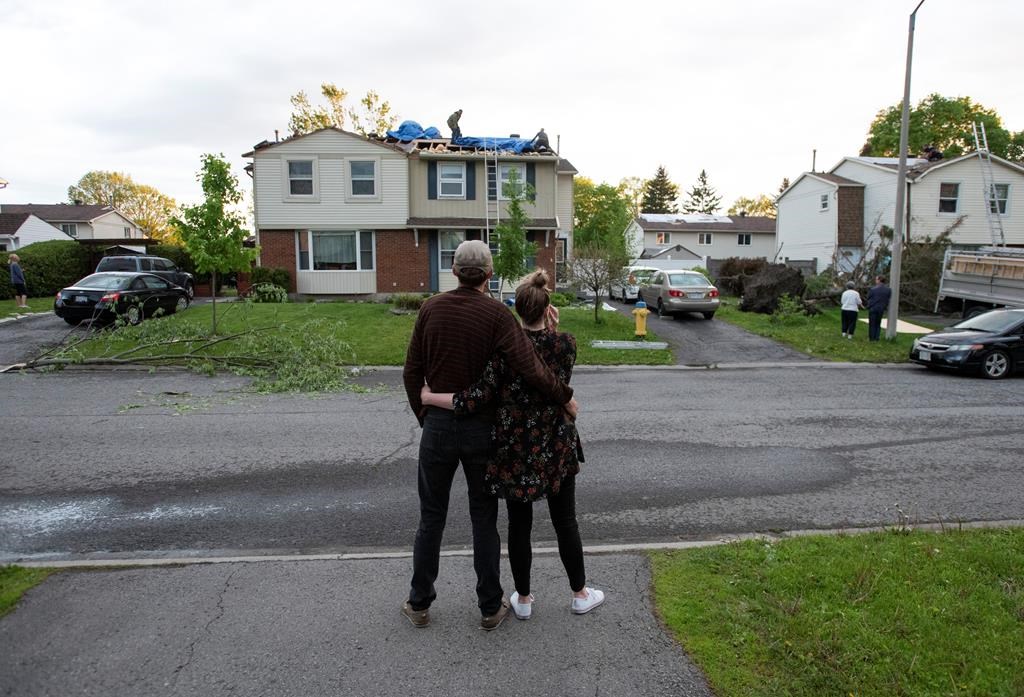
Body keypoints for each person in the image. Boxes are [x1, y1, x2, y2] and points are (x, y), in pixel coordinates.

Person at [401, 241, 577, 632]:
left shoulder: (430, 309)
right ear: (490, 274)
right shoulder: (497, 315)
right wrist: (565, 397)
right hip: (481, 431)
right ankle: (489, 607)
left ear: (453, 270)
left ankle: (419, 603)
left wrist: (425, 415)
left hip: (438, 430)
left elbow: (412, 372)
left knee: (431, 517)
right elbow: (531, 367)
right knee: (484, 518)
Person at [421, 270, 605, 621]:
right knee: (565, 521)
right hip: (557, 446)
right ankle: (580, 593)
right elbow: (550, 361)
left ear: (516, 309)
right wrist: (551, 327)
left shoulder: (502, 354)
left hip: (516, 450)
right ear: (548, 309)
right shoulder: (566, 344)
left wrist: (431, 397)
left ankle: (522, 598)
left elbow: (474, 398)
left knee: (519, 525)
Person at [866, 275, 892, 342]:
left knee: (872, 324)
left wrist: (869, 305)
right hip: (881, 308)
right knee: (878, 323)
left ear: (879, 280)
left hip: (873, 307)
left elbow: (868, 298)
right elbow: (887, 299)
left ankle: (871, 338)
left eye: (876, 279)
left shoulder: (873, 289)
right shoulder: (888, 290)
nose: (875, 281)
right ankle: (876, 337)